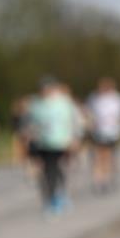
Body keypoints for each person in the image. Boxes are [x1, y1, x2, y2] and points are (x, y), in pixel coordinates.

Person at [28, 77, 81, 217]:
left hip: (61, 141)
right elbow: (31, 123)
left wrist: (75, 138)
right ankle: (51, 197)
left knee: (57, 168)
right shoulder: (36, 104)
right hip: (43, 143)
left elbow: (74, 121)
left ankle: (58, 195)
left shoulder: (64, 103)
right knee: (46, 170)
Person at [86, 77, 120, 194]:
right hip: (98, 131)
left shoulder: (117, 98)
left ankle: (108, 178)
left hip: (112, 132)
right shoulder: (94, 97)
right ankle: (99, 179)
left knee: (108, 156)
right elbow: (88, 112)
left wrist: (118, 123)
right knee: (98, 156)